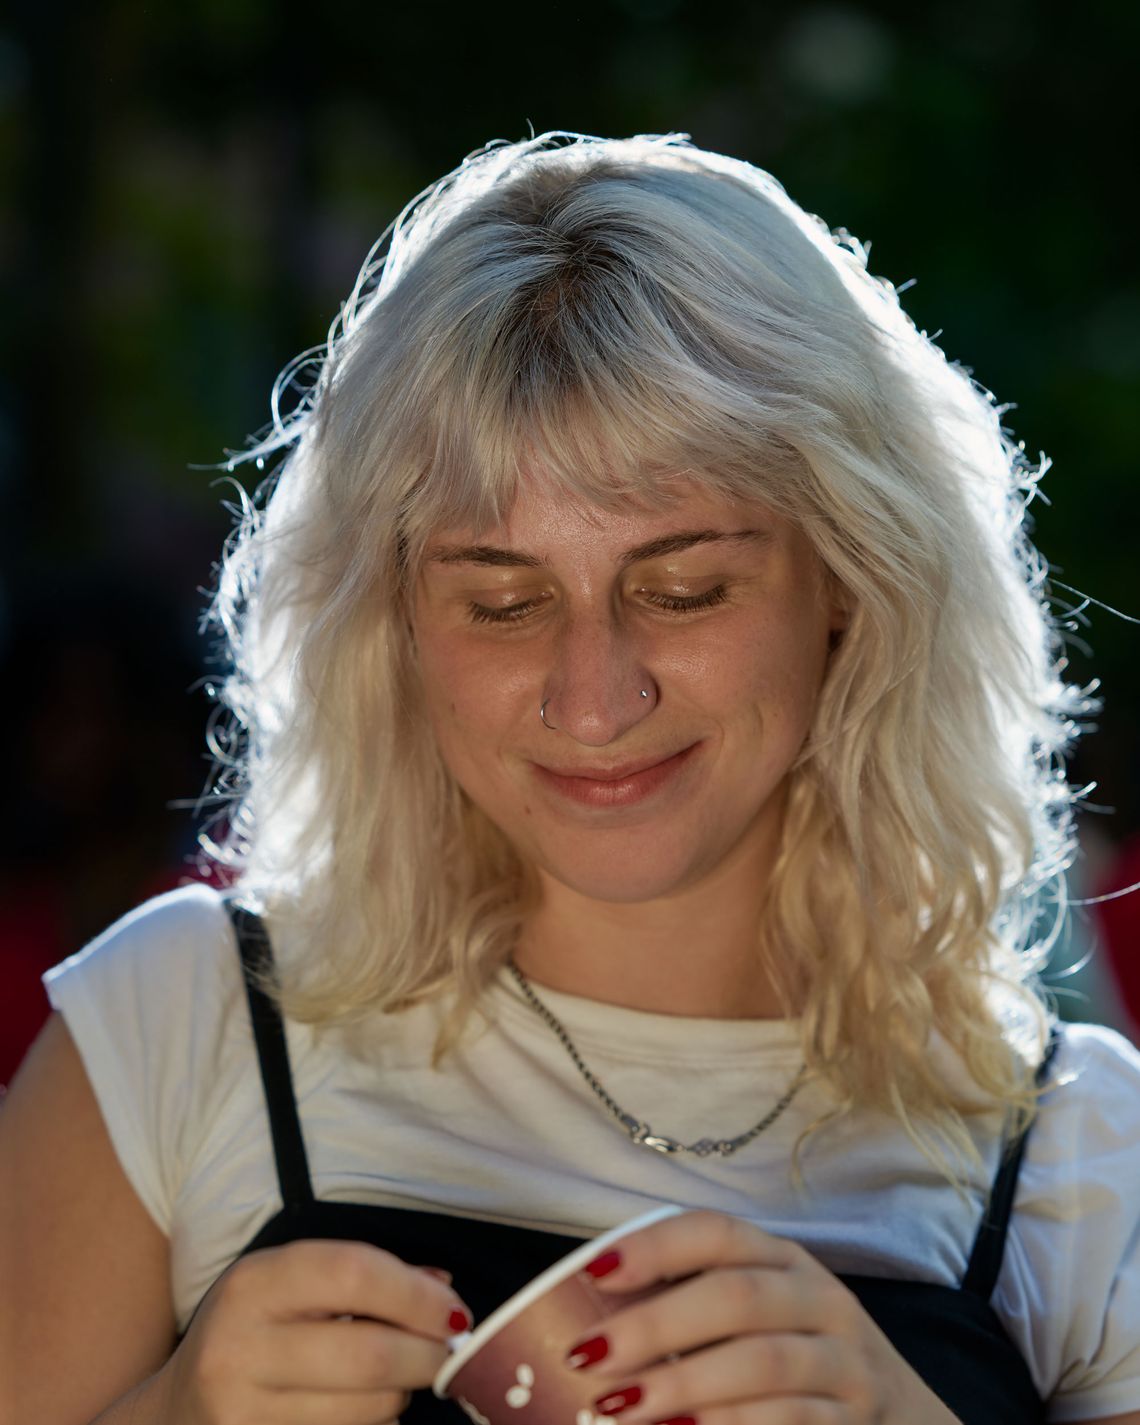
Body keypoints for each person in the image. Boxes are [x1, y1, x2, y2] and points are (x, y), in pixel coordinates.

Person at [1, 132, 1137, 1425]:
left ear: (852, 584)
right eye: (501, 600)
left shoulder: (1073, 1149)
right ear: (394, 624)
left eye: (683, 587)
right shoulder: (182, 1026)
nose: (595, 695)